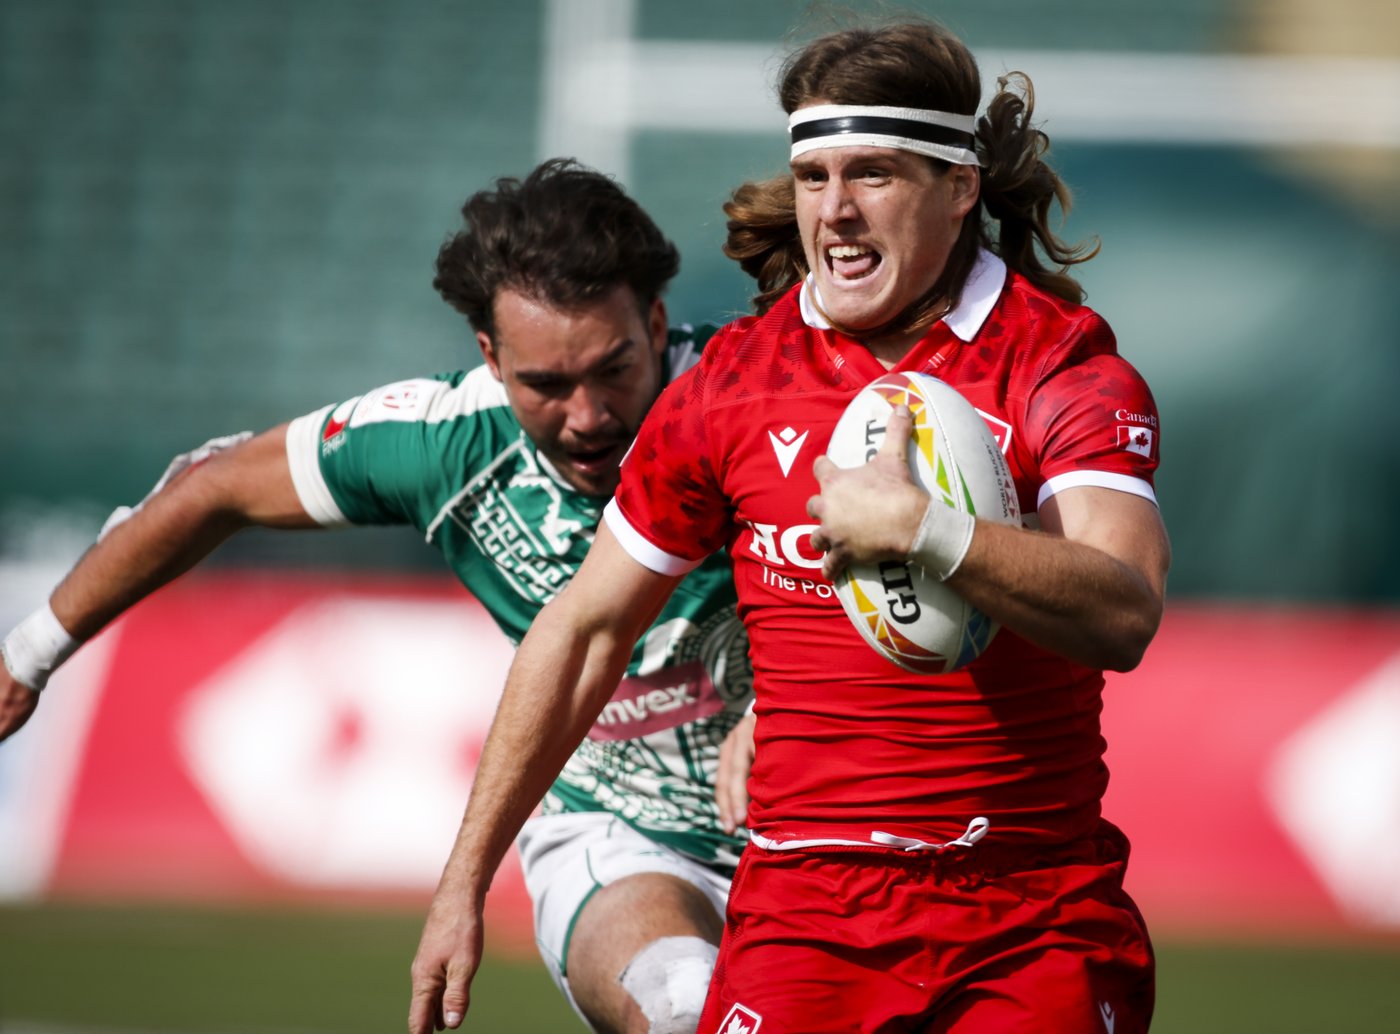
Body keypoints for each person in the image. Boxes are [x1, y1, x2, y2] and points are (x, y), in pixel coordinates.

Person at [408, 18, 1171, 1034]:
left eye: (874, 175)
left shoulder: (1058, 368)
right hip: (803, 916)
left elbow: (1123, 606)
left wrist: (926, 530)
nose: (836, 212)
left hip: (1025, 916)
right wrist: (463, 879)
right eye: (813, 176)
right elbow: (585, 627)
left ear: (959, 187)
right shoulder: (731, 382)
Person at [0, 159, 754, 1034]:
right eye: (546, 385)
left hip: (826, 817)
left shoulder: (749, 401)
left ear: (657, 322)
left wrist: (784, 696)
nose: (586, 415)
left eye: (613, 370)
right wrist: (28, 655)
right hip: (626, 838)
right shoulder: (444, 445)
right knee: (679, 1006)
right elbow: (214, 488)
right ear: (491, 358)